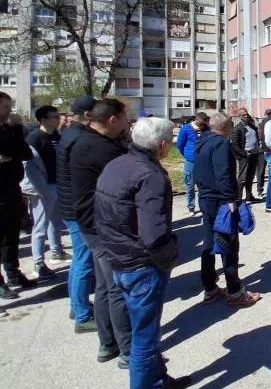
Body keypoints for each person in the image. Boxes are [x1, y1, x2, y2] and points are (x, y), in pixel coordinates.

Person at [94, 117, 191, 389]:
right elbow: (154, 233)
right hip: (140, 264)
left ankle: (158, 380)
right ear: (162, 145)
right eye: (170, 142)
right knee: (144, 341)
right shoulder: (150, 176)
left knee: (145, 332)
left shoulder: (117, 163)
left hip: (118, 256)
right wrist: (169, 258)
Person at [71, 98, 132, 366]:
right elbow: (130, 172)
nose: (127, 124)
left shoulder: (87, 140)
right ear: (112, 119)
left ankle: (108, 343)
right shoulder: (100, 148)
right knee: (116, 288)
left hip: (92, 224)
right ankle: (127, 350)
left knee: (105, 286)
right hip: (103, 226)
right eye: (125, 119)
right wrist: (128, 142)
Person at [194, 113, 261, 306]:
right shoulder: (221, 143)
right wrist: (230, 199)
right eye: (231, 123)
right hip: (220, 200)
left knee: (208, 243)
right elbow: (223, 172)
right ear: (224, 126)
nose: (233, 126)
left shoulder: (203, 140)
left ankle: (210, 288)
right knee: (228, 245)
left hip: (206, 198)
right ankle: (235, 292)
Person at [57, 95, 97, 331]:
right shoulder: (79, 137)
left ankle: (77, 304)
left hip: (70, 206)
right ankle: (82, 315)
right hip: (78, 209)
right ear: (87, 115)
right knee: (84, 261)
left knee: (79, 260)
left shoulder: (70, 134)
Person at [23, 105, 68, 279]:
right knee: (40, 226)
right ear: (43, 120)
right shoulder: (34, 138)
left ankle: (57, 251)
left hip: (58, 184)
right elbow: (30, 168)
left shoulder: (57, 136)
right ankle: (38, 263)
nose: (58, 119)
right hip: (43, 187)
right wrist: (40, 189)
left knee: (55, 223)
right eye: (54, 117)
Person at [0, 92, 35, 301]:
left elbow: (26, 154)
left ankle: (13, 274)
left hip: (11, 191)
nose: (9, 111)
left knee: (11, 237)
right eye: (5, 107)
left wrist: (16, 129)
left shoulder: (8, 130)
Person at [176, 112, 209, 215]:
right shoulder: (186, 129)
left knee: (203, 185)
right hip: (190, 162)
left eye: (204, 124)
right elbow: (180, 144)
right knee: (190, 185)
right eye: (201, 124)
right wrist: (187, 155)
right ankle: (191, 207)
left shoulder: (207, 129)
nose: (202, 126)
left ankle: (203, 206)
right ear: (196, 120)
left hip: (203, 162)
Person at [230, 108, 260, 202]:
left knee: (250, 177)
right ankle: (238, 197)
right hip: (245, 157)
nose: (246, 116)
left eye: (246, 114)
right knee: (242, 178)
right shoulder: (237, 128)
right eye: (243, 115)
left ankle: (249, 196)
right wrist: (244, 153)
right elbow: (235, 145)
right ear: (239, 117)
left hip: (254, 154)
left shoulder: (251, 126)